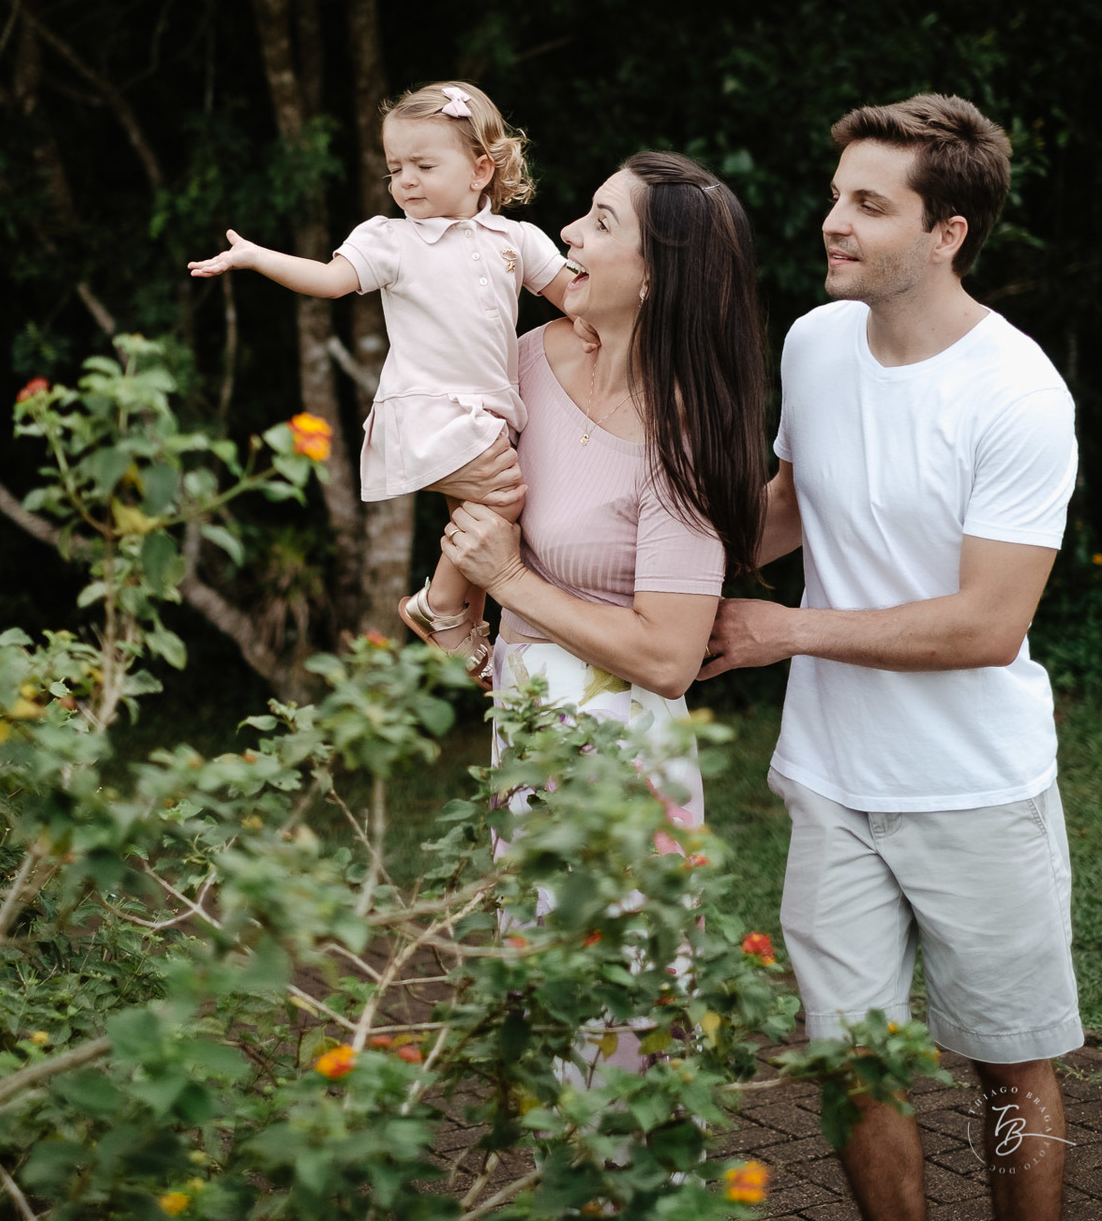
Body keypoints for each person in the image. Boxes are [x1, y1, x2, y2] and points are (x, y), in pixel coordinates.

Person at [700, 94, 1081, 1221]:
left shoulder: (1018, 394)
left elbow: (987, 624)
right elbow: (786, 509)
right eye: (836, 197)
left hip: (976, 789)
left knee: (1009, 1066)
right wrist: (622, 577)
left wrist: (785, 632)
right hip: (831, 782)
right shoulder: (815, 341)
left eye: (869, 205)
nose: (833, 222)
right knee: (850, 1063)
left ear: (946, 232)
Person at [436, 151, 767, 1069]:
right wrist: (458, 601)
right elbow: (478, 504)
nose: (569, 237)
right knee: (538, 1013)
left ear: (658, 276)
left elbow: (666, 656)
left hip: (622, 766)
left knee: (611, 1036)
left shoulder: (684, 438)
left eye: (600, 222)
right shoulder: (523, 365)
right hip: (523, 733)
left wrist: (509, 584)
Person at [187, 80, 573, 686]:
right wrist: (258, 257)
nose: (405, 181)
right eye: (395, 168)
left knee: (475, 520)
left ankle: (467, 627)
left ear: (479, 170)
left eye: (423, 164)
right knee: (504, 498)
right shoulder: (391, 240)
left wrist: (620, 299)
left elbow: (570, 293)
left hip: (489, 412)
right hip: (428, 409)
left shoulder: (516, 239)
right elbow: (327, 280)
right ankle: (437, 607)